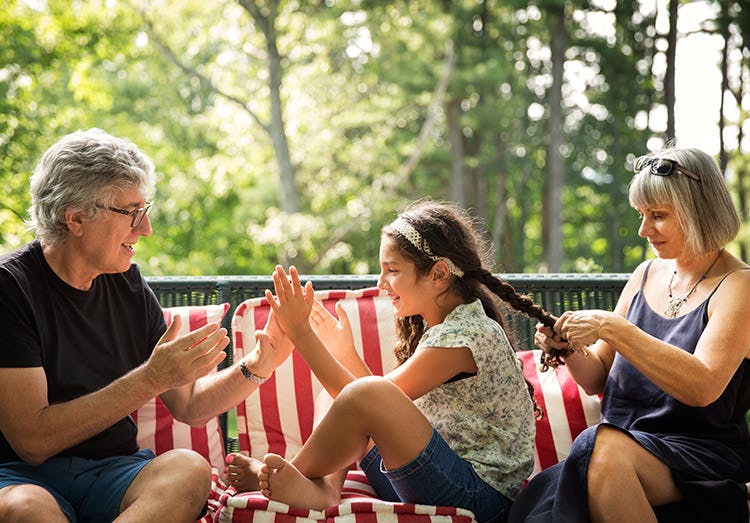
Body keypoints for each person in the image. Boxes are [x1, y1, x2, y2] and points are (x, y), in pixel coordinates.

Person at [0, 129, 292, 522]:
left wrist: (260, 362)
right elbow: (33, 441)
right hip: (21, 476)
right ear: (76, 218)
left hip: (114, 473)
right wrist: (149, 379)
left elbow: (187, 403)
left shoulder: (127, 285)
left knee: (189, 469)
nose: (146, 228)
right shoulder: (9, 288)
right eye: (132, 211)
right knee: (26, 509)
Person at [244, 201, 559, 523]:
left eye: (392, 270)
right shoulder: (445, 328)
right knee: (338, 396)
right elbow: (378, 406)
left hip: (476, 497)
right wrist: (345, 353)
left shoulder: (468, 335)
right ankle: (323, 488)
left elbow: (371, 399)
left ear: (438, 274)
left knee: (365, 394)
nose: (381, 282)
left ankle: (294, 474)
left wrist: (300, 332)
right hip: (432, 478)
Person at [509, 147, 750, 523]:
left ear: (700, 211)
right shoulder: (645, 275)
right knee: (566, 482)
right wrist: (569, 350)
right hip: (618, 451)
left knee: (597, 452)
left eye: (658, 216)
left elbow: (702, 387)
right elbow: (597, 379)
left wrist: (613, 328)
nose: (643, 229)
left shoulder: (739, 286)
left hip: (696, 462)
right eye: (642, 215)